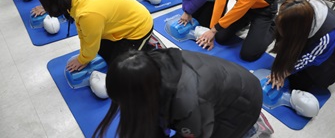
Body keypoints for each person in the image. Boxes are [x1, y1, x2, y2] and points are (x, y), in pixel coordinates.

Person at [92, 48, 270, 138]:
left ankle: (253, 128)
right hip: (219, 87)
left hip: (243, 104)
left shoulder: (187, 103)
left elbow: (195, 134)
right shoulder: (146, 66)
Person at [35, 0, 154, 70]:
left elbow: (90, 41)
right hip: (120, 24)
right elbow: (85, 33)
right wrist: (84, 56)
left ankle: (150, 47)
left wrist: (83, 60)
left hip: (139, 28)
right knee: (101, 50)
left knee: (120, 69)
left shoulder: (88, 13)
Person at [268, 0, 335, 91]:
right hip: (312, 39)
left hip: (333, 58)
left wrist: (283, 73)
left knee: (298, 84)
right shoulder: (296, 9)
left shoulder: (328, 35)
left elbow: (310, 58)